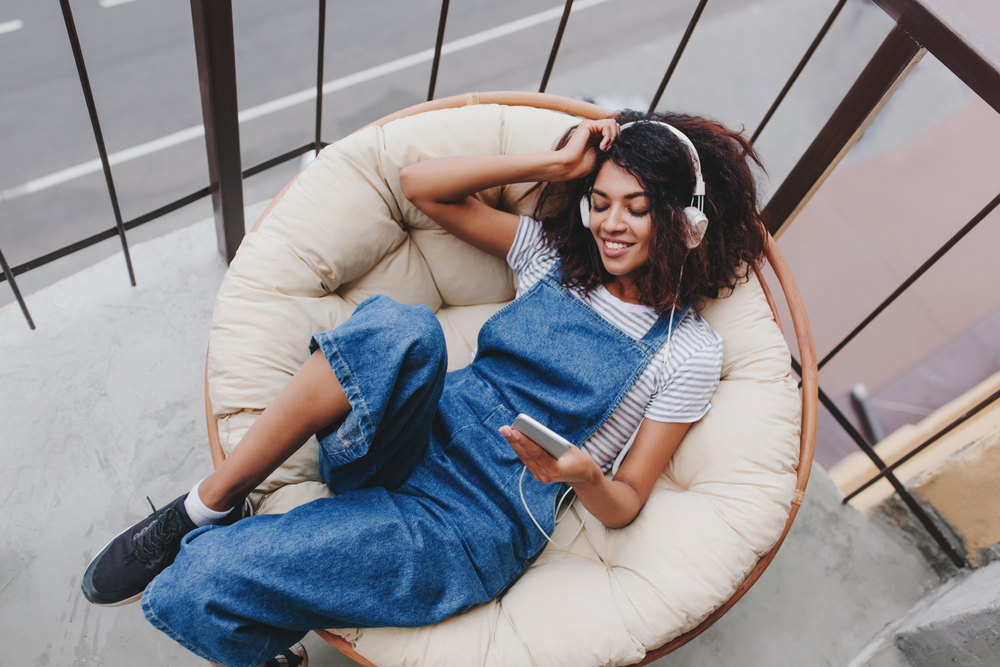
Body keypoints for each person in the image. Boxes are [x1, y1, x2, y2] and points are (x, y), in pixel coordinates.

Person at [81, 110, 767, 667]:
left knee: (196, 585)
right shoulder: (556, 256)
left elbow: (624, 504)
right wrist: (555, 165)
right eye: (601, 201)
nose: (611, 225)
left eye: (637, 208)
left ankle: (254, 638)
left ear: (686, 220)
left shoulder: (686, 349)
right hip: (408, 439)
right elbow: (421, 185)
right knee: (404, 331)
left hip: (468, 524)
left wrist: (583, 473)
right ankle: (207, 504)